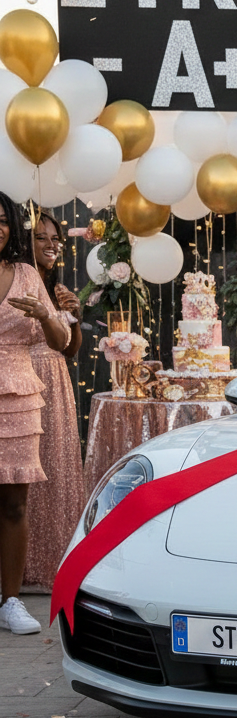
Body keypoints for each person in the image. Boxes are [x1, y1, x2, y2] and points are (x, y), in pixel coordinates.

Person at [0, 194, 71, 634]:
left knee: (13, 504)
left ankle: (9, 601)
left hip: (19, 394)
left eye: (3, 221)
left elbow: (61, 341)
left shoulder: (26, 274)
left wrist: (46, 312)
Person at [24, 209, 86, 590]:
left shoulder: (58, 288)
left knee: (56, 469)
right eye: (42, 237)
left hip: (58, 383)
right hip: (26, 379)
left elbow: (70, 351)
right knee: (26, 474)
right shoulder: (18, 284)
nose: (52, 245)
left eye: (56, 239)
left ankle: (55, 558)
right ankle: (24, 565)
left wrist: (74, 314)